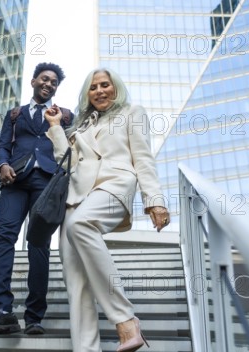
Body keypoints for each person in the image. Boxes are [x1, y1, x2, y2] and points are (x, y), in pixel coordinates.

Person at [44, 68, 170, 352]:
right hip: (76, 197)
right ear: (87, 93)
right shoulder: (81, 126)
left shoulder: (132, 112)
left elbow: (143, 157)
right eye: (93, 87)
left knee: (81, 225)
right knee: (76, 283)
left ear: (116, 88)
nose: (100, 91)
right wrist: (55, 127)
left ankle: (125, 320)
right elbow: (69, 163)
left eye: (105, 85)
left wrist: (155, 199)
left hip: (114, 185)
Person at [0, 62, 73, 336]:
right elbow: (3, 145)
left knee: (38, 244)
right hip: (15, 180)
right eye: (44, 79)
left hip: (48, 182)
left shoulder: (65, 116)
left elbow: (71, 150)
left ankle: (34, 316)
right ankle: (2, 310)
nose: (49, 84)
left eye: (54, 82)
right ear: (33, 82)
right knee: (4, 237)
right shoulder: (15, 115)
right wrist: (2, 165)